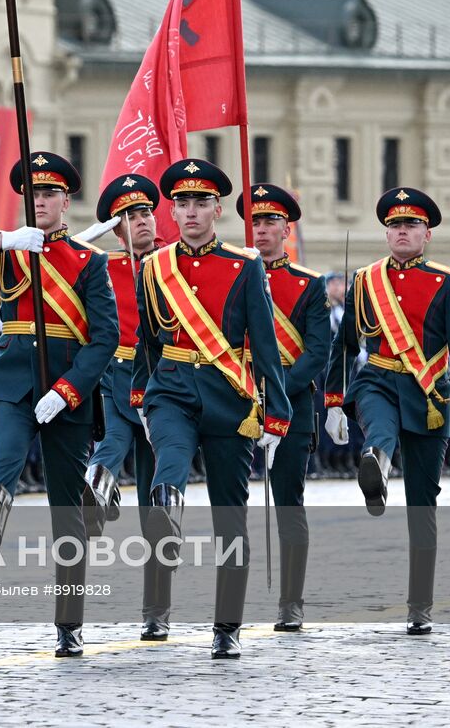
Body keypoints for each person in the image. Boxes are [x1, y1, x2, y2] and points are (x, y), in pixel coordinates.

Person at [0, 152, 118, 658]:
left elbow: (104, 338)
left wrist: (68, 390)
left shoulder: (88, 261)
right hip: (16, 376)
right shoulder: (11, 251)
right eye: (32, 195)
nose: (39, 202)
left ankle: (69, 622)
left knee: (67, 508)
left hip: (67, 387)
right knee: (7, 455)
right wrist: (3, 240)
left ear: (65, 200)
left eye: (49, 194)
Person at [133, 159, 291, 659]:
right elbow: (147, 341)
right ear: (172, 212)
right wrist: (142, 394)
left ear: (217, 210)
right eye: (182, 203)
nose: (191, 211)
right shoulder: (153, 267)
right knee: (170, 456)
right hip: (173, 387)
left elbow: (264, 343)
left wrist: (276, 412)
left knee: (231, 519)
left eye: (201, 202)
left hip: (230, 397)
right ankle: (167, 507)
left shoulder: (245, 266)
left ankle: (227, 626)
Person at [324, 187, 450, 635]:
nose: (401, 231)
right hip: (377, 378)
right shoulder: (364, 280)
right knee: (378, 424)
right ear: (386, 232)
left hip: (430, 397)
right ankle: (376, 462)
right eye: (394, 225)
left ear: (426, 234)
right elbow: (345, 347)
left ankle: (419, 604)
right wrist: (334, 401)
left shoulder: (446, 282)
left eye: (411, 225)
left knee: (422, 504)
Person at [237, 182, 331, 632]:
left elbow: (317, 351)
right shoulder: (233, 273)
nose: (261, 229)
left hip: (290, 404)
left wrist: (275, 391)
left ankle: (290, 599)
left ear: (286, 228)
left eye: (270, 221)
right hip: (234, 397)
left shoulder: (309, 286)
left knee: (288, 502)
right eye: (254, 221)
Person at [84, 173, 167, 639]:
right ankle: (97, 481)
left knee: (153, 502)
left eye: (146, 213)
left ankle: (156, 608)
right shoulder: (105, 266)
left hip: (162, 381)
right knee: (114, 435)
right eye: (131, 217)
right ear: (117, 230)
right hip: (117, 373)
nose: (141, 222)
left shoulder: (172, 264)